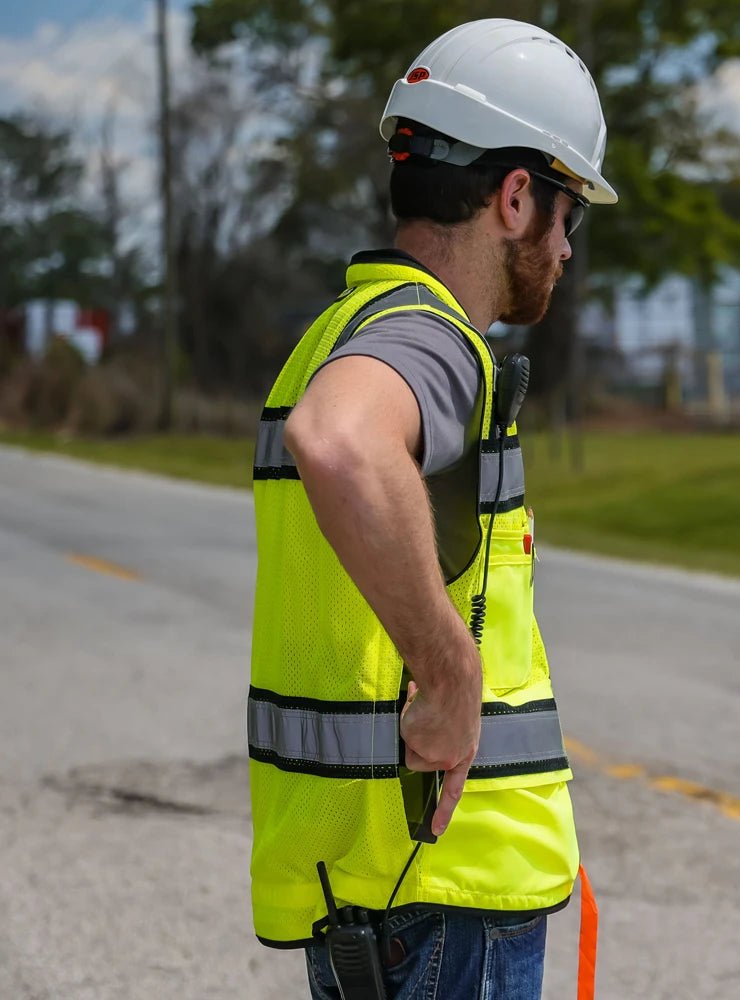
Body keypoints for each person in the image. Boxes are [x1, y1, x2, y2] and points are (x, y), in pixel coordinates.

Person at [247, 17, 616, 1000]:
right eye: (565, 212)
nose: (566, 246)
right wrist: (450, 669)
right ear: (512, 198)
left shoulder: (337, 328)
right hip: (449, 890)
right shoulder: (431, 337)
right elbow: (340, 440)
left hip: (370, 882)